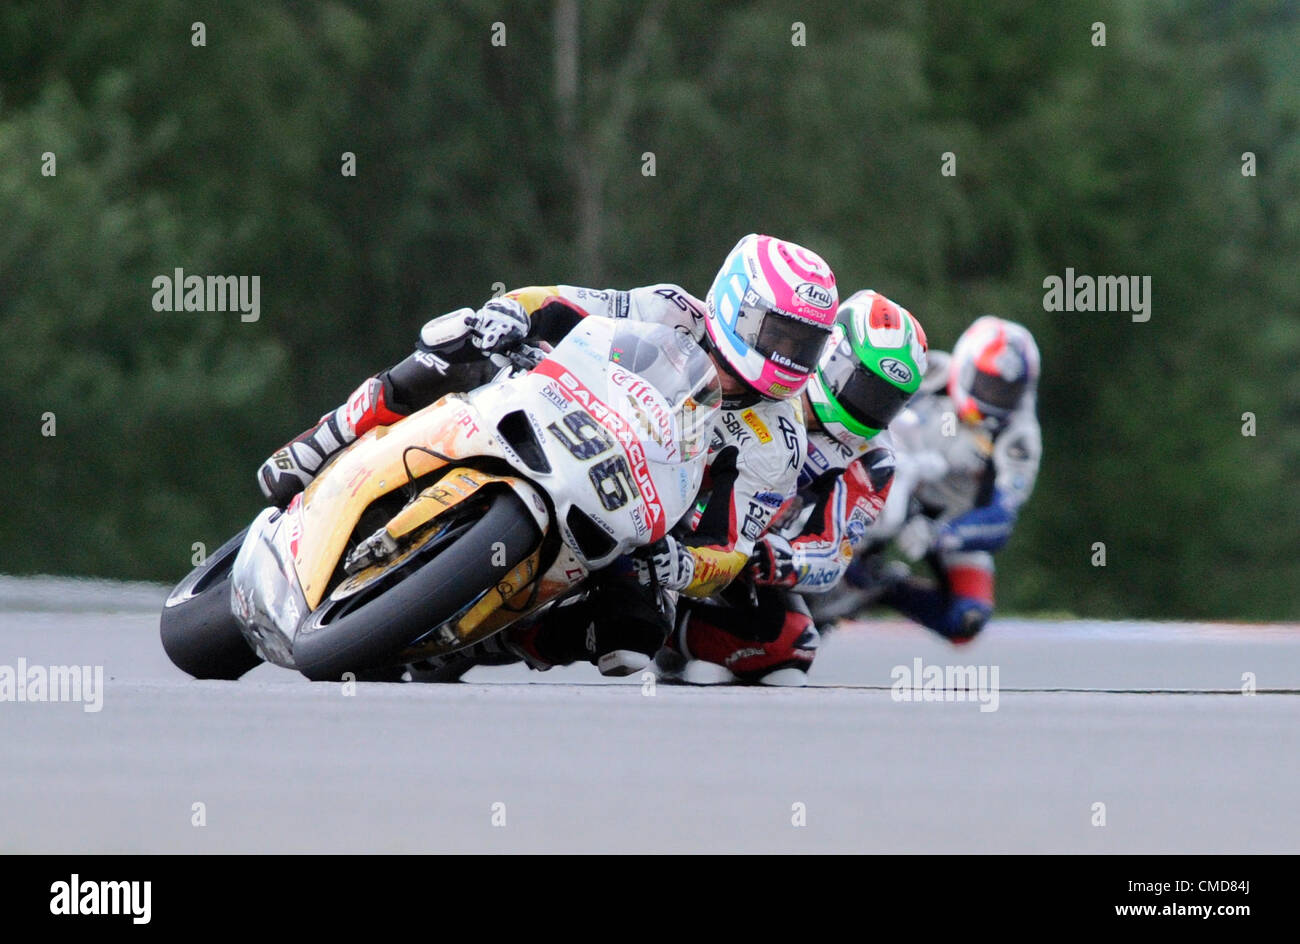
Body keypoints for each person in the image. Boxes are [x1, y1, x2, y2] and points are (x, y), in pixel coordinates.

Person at [255, 234, 839, 676]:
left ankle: (506, 637)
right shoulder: (671, 309)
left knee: (634, 637)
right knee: (454, 343)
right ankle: (327, 438)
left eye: (804, 345)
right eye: (779, 333)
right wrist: (513, 311)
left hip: (636, 513)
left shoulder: (780, 438)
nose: (788, 354)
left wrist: (687, 565)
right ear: (737, 302)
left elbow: (732, 544)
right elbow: (566, 303)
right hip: (558, 408)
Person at [654, 289, 928, 685]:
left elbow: (833, 557)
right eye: (866, 387)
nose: (871, 408)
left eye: (887, 400)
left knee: (792, 645)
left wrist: (778, 559)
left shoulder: (874, 459)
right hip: (667, 497)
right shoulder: (762, 371)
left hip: (741, 545)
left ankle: (668, 635)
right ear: (834, 357)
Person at [839, 315, 1042, 643]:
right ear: (964, 366)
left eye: (1006, 392)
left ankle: (881, 588)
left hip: (954, 518)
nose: (993, 399)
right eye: (988, 384)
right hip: (892, 483)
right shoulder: (926, 372)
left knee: (967, 619)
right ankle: (838, 560)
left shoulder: (1021, 435)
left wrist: (944, 536)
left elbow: (1002, 519)